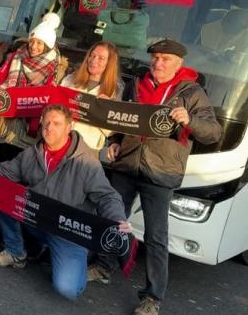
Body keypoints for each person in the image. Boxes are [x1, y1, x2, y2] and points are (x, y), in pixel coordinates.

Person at [88, 39, 221, 315]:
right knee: (113, 220)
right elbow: (120, 118)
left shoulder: (192, 92)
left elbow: (213, 133)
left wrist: (190, 120)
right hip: (127, 165)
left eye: (166, 59)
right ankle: (102, 266)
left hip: (161, 172)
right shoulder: (138, 84)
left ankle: (152, 298)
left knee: (156, 236)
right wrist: (114, 140)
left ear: (179, 63)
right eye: (156, 58)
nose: (158, 63)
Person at [0, 104, 130, 301]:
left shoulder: (86, 162)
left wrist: (118, 219)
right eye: (46, 123)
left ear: (69, 127)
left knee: (67, 289)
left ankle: (75, 259)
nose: (49, 128)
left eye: (56, 123)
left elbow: (107, 196)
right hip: (36, 218)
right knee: (6, 194)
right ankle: (16, 252)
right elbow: (2, 172)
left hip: (67, 231)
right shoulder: (32, 153)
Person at [0, 13, 61, 161]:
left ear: (47, 46)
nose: (33, 46)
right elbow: (0, 81)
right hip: (5, 127)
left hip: (30, 135)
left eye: (39, 43)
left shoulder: (57, 70)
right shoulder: (15, 57)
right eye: (32, 41)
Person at [60, 40, 123, 153]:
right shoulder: (70, 79)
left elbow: (113, 132)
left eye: (101, 58)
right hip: (59, 142)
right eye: (92, 55)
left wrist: (106, 110)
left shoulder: (116, 91)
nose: (94, 60)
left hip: (87, 150)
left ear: (110, 63)